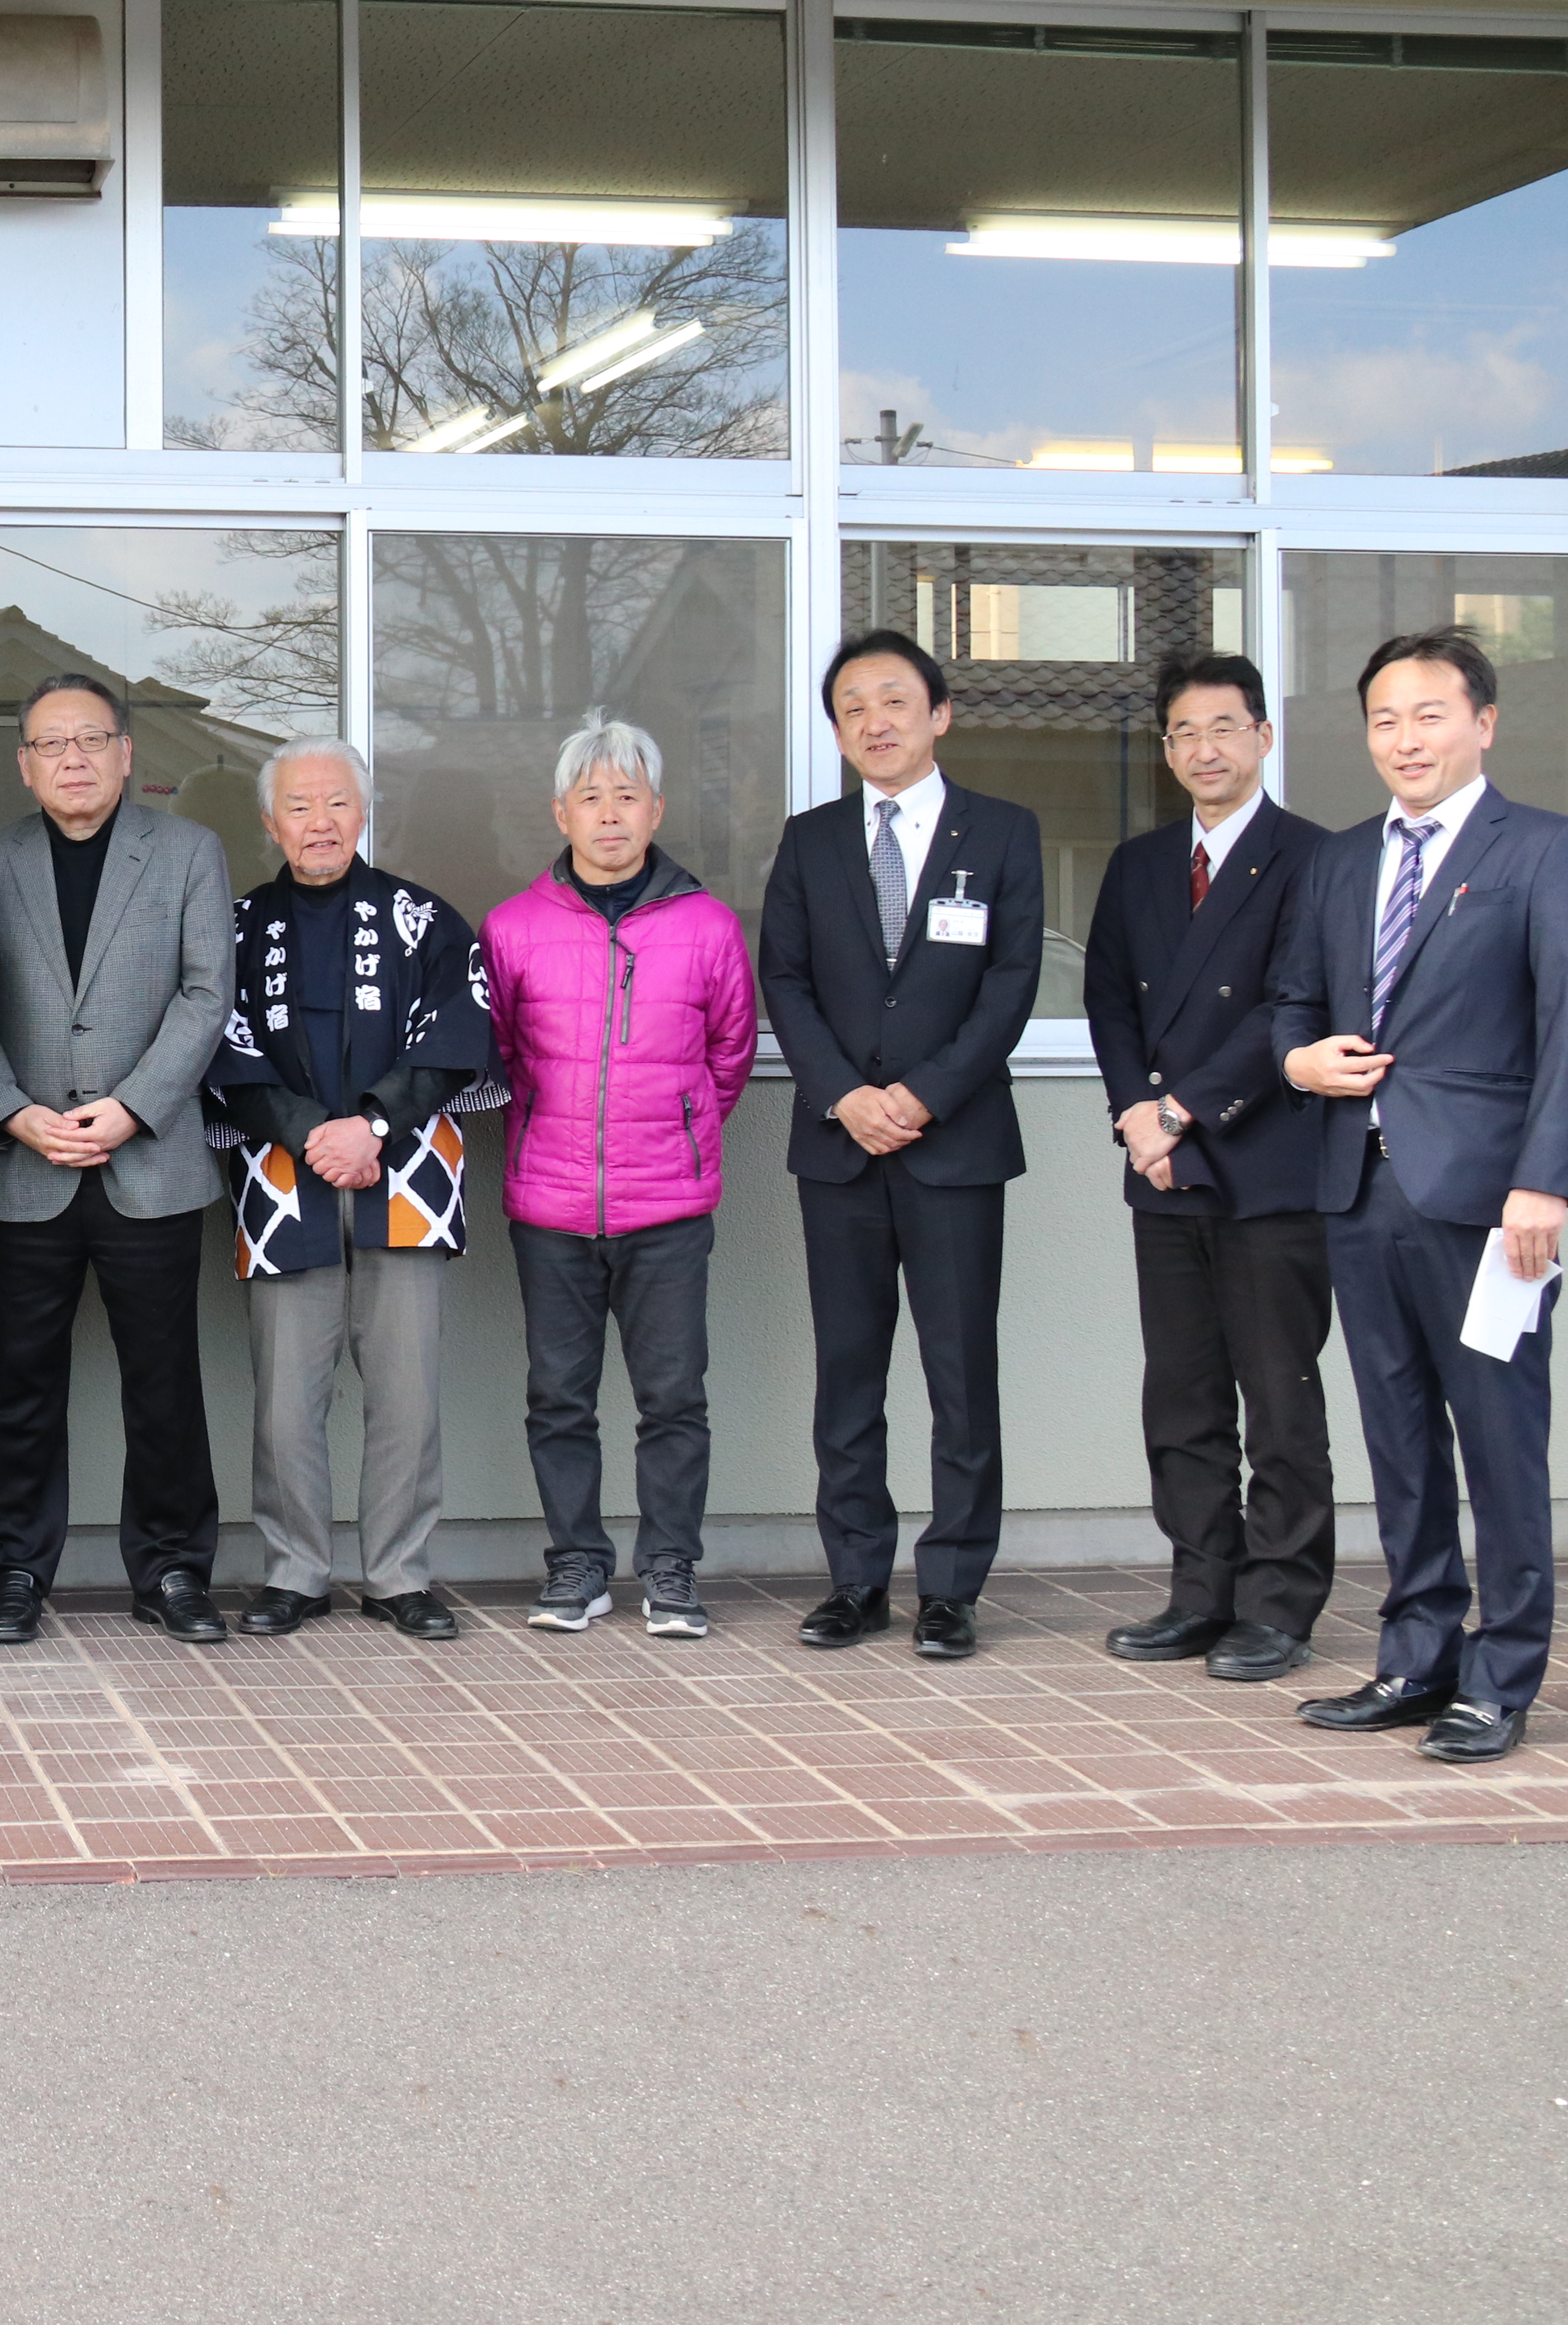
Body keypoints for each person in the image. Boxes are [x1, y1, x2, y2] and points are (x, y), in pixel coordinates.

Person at [1272, 628, 1568, 1764]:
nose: (1406, 738)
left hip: (1487, 1203)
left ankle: (1504, 1673)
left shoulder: (1550, 851)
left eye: (1430, 713)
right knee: (1400, 1436)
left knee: (1500, 1438)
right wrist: (1299, 1063)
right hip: (1357, 1185)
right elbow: (1289, 1002)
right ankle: (1418, 1655)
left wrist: (1544, 1184)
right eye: (1384, 717)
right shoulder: (1337, 861)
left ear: (1484, 721)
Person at [760, 629, 1043, 1661]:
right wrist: (845, 1096)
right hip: (840, 1151)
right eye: (851, 709)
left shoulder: (1002, 833)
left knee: (962, 1371)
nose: (873, 723)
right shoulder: (812, 839)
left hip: (954, 1147)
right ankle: (857, 1578)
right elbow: (783, 980)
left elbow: (1010, 986)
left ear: (940, 714)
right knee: (849, 1369)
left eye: (892, 701)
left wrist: (919, 1096)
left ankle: (955, 1584)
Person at [0, 672, 233, 1647]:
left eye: (91, 740)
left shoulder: (190, 853)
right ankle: (16, 1571)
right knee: (19, 1382)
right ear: (26, 766)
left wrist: (133, 1108)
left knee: (163, 1380)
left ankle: (172, 1571)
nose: (72, 758)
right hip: (26, 1165)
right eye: (51, 745)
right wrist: (14, 1114)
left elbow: (207, 996)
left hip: (147, 1163)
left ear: (126, 753)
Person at [1080, 651, 1335, 1683]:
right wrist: (1137, 1115)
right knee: (1180, 1393)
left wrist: (1184, 1106)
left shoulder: (1314, 857)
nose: (1203, 749)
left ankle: (1280, 1602)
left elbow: (1295, 1005)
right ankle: (1202, 1589)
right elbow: (1108, 998)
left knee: (1278, 1394)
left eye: (1223, 727)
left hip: (1268, 1164)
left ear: (1264, 737)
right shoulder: (1140, 863)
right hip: (1163, 1167)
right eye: (1183, 732)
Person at [204, 739, 491, 1644]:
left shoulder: (421, 920)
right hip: (284, 1185)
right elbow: (222, 1047)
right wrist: (309, 1135)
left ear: (362, 813)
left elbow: (456, 1038)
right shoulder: (238, 927)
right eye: (299, 806)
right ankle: (295, 1571)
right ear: (270, 821)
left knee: (405, 1396)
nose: (319, 822)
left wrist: (369, 1127)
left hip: (405, 1182)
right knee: (287, 1398)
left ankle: (399, 1573)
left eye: (336, 804)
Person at [481, 716, 754, 1642]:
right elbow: (505, 1054)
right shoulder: (513, 927)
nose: (609, 815)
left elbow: (729, 1057)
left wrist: (676, 1133)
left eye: (626, 796)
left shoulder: (708, 925)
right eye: (591, 797)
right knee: (559, 1395)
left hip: (668, 1206)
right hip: (551, 1204)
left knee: (673, 1397)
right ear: (561, 811)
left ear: (656, 809)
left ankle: (671, 1564)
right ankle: (577, 1564)